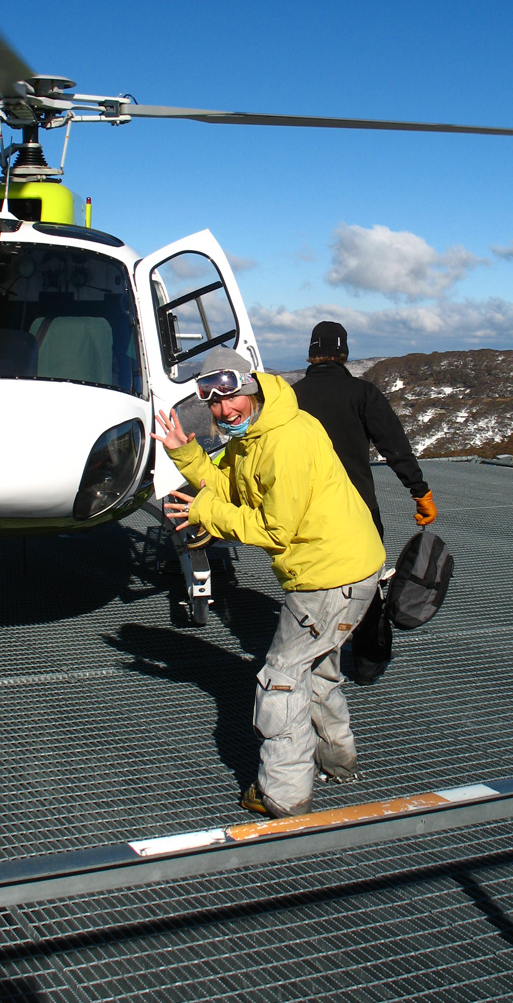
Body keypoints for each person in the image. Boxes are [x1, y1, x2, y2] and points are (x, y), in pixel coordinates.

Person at [153, 347, 384, 819]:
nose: (223, 409)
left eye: (231, 395)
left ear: (252, 388)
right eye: (213, 402)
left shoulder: (286, 441)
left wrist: (202, 513)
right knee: (315, 670)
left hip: (328, 576)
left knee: (280, 679)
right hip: (346, 569)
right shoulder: (254, 434)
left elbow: (276, 529)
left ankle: (283, 794)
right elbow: (227, 486)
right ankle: (337, 761)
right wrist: (186, 453)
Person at [292, 321, 436, 683]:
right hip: (358, 511)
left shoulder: (292, 398)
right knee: (365, 584)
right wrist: (419, 492)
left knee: (311, 585)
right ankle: (369, 662)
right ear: (343, 353)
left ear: (311, 353)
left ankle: (311, 656)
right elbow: (394, 446)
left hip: (304, 512)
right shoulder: (362, 393)